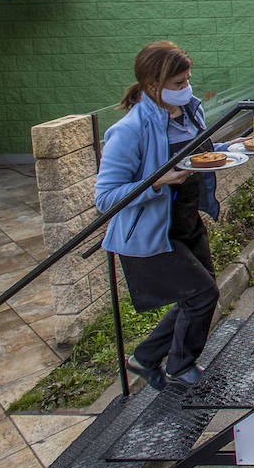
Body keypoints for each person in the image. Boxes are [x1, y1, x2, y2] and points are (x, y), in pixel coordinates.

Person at [95, 41, 221, 389]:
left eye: (188, 80)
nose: (187, 89)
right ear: (153, 86)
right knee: (202, 294)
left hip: (186, 220)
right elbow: (105, 198)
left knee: (197, 294)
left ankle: (146, 358)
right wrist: (155, 182)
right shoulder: (129, 130)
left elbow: (201, 153)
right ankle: (180, 366)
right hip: (151, 232)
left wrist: (231, 149)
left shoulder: (190, 111)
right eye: (179, 84)